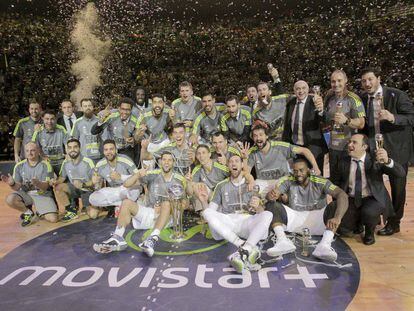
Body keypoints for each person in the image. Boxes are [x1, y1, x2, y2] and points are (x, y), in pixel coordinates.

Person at [93, 151, 188, 257]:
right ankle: (118, 237)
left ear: (173, 162)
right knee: (126, 203)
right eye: (164, 160)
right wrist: (138, 174)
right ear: (160, 161)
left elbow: (184, 204)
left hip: (167, 218)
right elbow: (127, 184)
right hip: (150, 213)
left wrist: (171, 206)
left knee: (165, 203)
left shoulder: (180, 179)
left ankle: (152, 239)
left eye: (169, 160)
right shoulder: (153, 174)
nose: (166, 162)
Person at [360, 67, 414, 235]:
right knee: (373, 185)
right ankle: (373, 217)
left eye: (370, 79)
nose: (367, 83)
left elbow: (411, 117)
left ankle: (394, 222)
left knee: (398, 188)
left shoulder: (396, 95)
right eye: (364, 81)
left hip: (396, 151)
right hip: (374, 149)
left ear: (379, 78)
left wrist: (393, 117)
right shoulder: (362, 99)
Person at [200, 154, 273, 273]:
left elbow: (260, 212)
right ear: (228, 166)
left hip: (248, 222)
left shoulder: (252, 184)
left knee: (268, 214)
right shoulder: (221, 186)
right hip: (229, 223)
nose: (234, 164)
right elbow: (211, 212)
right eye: (231, 162)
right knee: (206, 212)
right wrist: (203, 201)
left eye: (237, 161)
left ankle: (244, 251)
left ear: (242, 165)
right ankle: (244, 247)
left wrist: (258, 205)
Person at [265, 158, 348, 262]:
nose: (298, 174)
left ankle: (324, 245)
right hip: (294, 219)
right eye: (295, 171)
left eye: (301, 170)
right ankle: (282, 241)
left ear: (308, 170)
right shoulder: (288, 180)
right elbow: (271, 196)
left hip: (318, 220)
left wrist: (337, 217)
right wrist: (270, 196)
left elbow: (342, 194)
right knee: (272, 204)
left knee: (335, 205)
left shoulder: (320, 181)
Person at [336, 134, 406, 244]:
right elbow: (336, 182)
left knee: (369, 212)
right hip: (352, 198)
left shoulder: (375, 160)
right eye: (350, 141)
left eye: (354, 142)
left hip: (372, 198)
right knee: (343, 229)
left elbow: (401, 173)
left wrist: (387, 161)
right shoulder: (343, 160)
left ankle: (369, 233)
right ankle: (357, 224)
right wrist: (338, 201)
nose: (349, 144)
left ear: (364, 147)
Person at [242, 123, 321, 196]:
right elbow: (246, 173)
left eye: (261, 135)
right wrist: (245, 159)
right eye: (255, 136)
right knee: (250, 190)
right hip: (263, 182)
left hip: (282, 180)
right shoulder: (252, 151)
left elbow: (305, 151)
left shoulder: (280, 146)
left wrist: (315, 167)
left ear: (266, 136)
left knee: (282, 188)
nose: (258, 138)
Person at [324, 70, 365, 185]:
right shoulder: (329, 96)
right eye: (333, 81)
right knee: (334, 184)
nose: (336, 84)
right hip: (333, 149)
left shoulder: (353, 98)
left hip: (348, 150)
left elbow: (361, 123)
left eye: (339, 80)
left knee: (348, 184)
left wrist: (346, 120)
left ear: (346, 81)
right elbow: (326, 120)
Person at [2, 142, 58, 226]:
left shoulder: (46, 165)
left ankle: (40, 211)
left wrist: (37, 183)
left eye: (32, 150)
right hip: (26, 194)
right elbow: (17, 187)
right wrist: (12, 184)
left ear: (38, 151)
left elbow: (46, 187)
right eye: (27, 151)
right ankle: (28, 213)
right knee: (10, 199)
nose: (30, 153)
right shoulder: (19, 166)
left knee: (53, 219)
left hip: (42, 194)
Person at [282, 80, 328, 170]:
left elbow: (324, 120)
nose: (301, 91)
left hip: (314, 149)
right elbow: (287, 127)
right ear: (294, 91)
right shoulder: (290, 104)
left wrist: (321, 111)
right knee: (299, 177)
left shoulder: (315, 101)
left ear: (308, 90)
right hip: (296, 149)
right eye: (298, 89)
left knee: (316, 177)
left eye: (303, 88)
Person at [52, 138, 97, 222]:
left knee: (93, 215)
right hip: (74, 189)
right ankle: (71, 211)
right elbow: (62, 178)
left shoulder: (88, 162)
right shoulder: (66, 163)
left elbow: (95, 182)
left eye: (75, 147)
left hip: (87, 190)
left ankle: (94, 205)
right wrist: (55, 181)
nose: (72, 150)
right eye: (70, 147)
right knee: (58, 187)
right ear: (67, 149)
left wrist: (83, 185)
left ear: (79, 148)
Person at [89, 139, 140, 208]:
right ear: (103, 152)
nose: (109, 152)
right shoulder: (99, 165)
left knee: (131, 192)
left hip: (128, 189)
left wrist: (121, 177)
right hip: (115, 191)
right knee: (92, 198)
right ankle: (120, 205)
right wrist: (95, 183)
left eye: (111, 149)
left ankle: (118, 206)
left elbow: (139, 180)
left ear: (116, 150)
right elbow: (98, 187)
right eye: (106, 150)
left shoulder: (125, 160)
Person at [91, 98, 139, 162]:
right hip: (112, 150)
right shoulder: (112, 116)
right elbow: (94, 131)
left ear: (131, 110)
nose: (125, 112)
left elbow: (138, 138)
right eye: (123, 109)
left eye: (128, 110)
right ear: (119, 108)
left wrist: (134, 140)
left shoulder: (136, 120)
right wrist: (100, 121)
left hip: (127, 151)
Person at [32, 110, 68, 175]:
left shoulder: (61, 129)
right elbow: (34, 147)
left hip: (60, 162)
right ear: (43, 119)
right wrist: (43, 156)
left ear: (56, 119)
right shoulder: (38, 130)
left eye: (52, 119)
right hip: (46, 162)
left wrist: (68, 155)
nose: (49, 121)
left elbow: (67, 144)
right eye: (47, 119)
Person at [71, 98, 102, 163]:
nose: (88, 108)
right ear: (81, 108)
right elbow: (74, 141)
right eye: (85, 106)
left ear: (93, 107)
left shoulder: (100, 121)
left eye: (89, 105)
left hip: (100, 157)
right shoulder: (77, 122)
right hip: (84, 158)